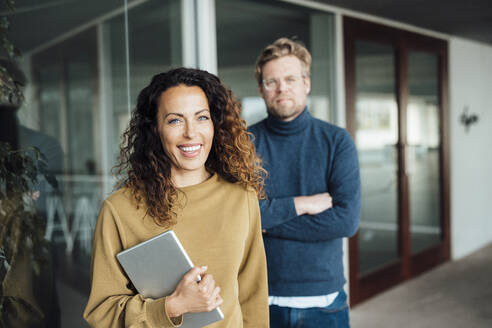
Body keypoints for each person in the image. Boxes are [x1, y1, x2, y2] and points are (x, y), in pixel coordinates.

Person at [83, 68, 269, 327]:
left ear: (215, 124)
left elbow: (253, 296)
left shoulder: (241, 198)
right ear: (155, 129)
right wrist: (172, 307)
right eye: (175, 120)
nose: (191, 133)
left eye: (202, 117)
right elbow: (101, 312)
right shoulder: (119, 210)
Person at [248, 37, 361, 327]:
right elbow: (242, 216)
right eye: (272, 81)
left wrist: (267, 219)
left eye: (290, 79)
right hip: (261, 297)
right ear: (261, 90)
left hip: (323, 299)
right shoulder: (244, 144)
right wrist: (303, 204)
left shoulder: (336, 141)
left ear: (306, 83)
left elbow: (346, 221)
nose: (282, 88)